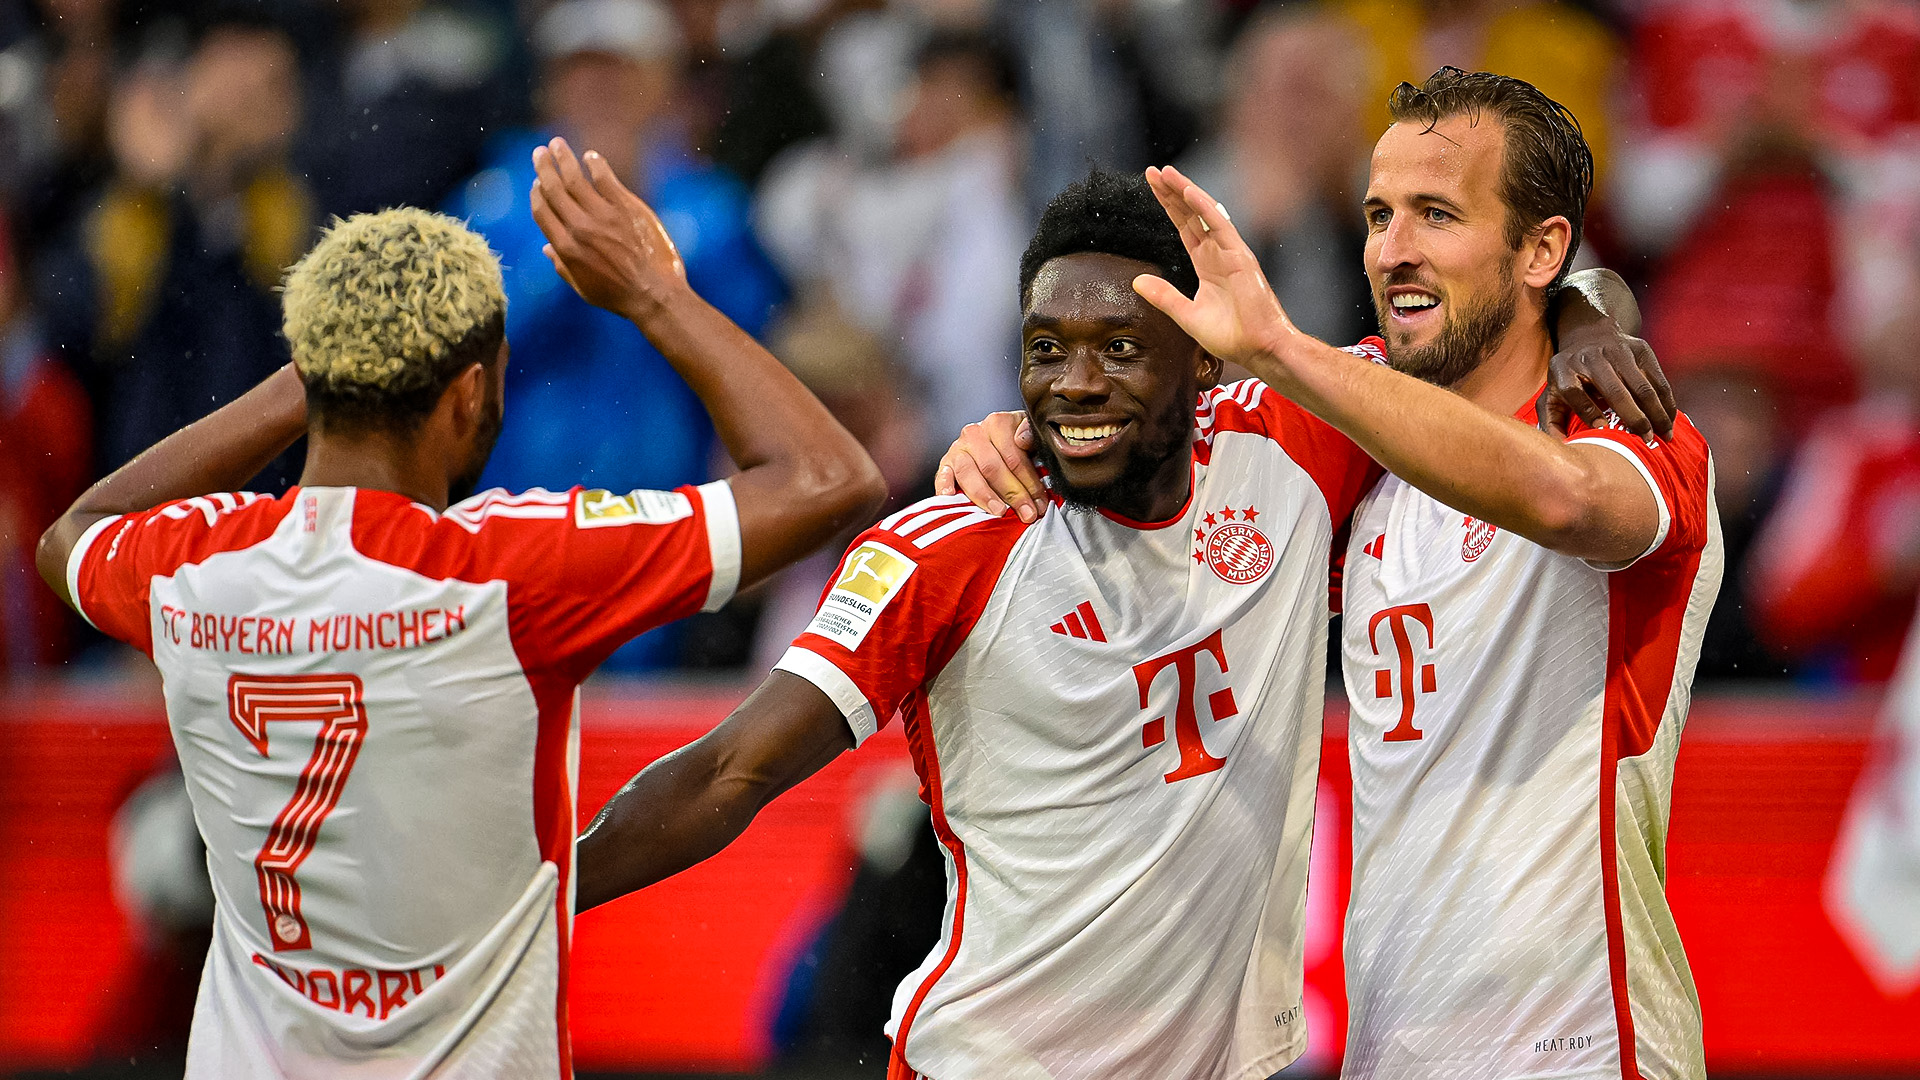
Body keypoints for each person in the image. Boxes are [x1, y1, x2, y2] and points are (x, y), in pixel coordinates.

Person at [574, 167, 1670, 1080]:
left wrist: (1586, 307)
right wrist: (536, 896)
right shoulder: (949, 547)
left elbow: (1487, 334)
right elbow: (729, 774)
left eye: (1118, 347)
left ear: (1202, 357)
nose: (1075, 384)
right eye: (1045, 349)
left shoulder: (1295, 441)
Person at [33, 138, 883, 1078]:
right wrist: (654, 292)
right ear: (471, 389)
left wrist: (317, 373)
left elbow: (75, 529)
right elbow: (828, 477)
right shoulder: (505, 571)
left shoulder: (195, 565)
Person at [943, 70, 1720, 1080]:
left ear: (1541, 249)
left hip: (1582, 1046)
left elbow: (1567, 501)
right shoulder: (1354, 456)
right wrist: (1021, 431)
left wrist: (1280, 343)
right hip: (1390, 1050)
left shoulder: (1631, 429)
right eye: (1379, 214)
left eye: (1437, 215)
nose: (1393, 249)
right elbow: (1137, 428)